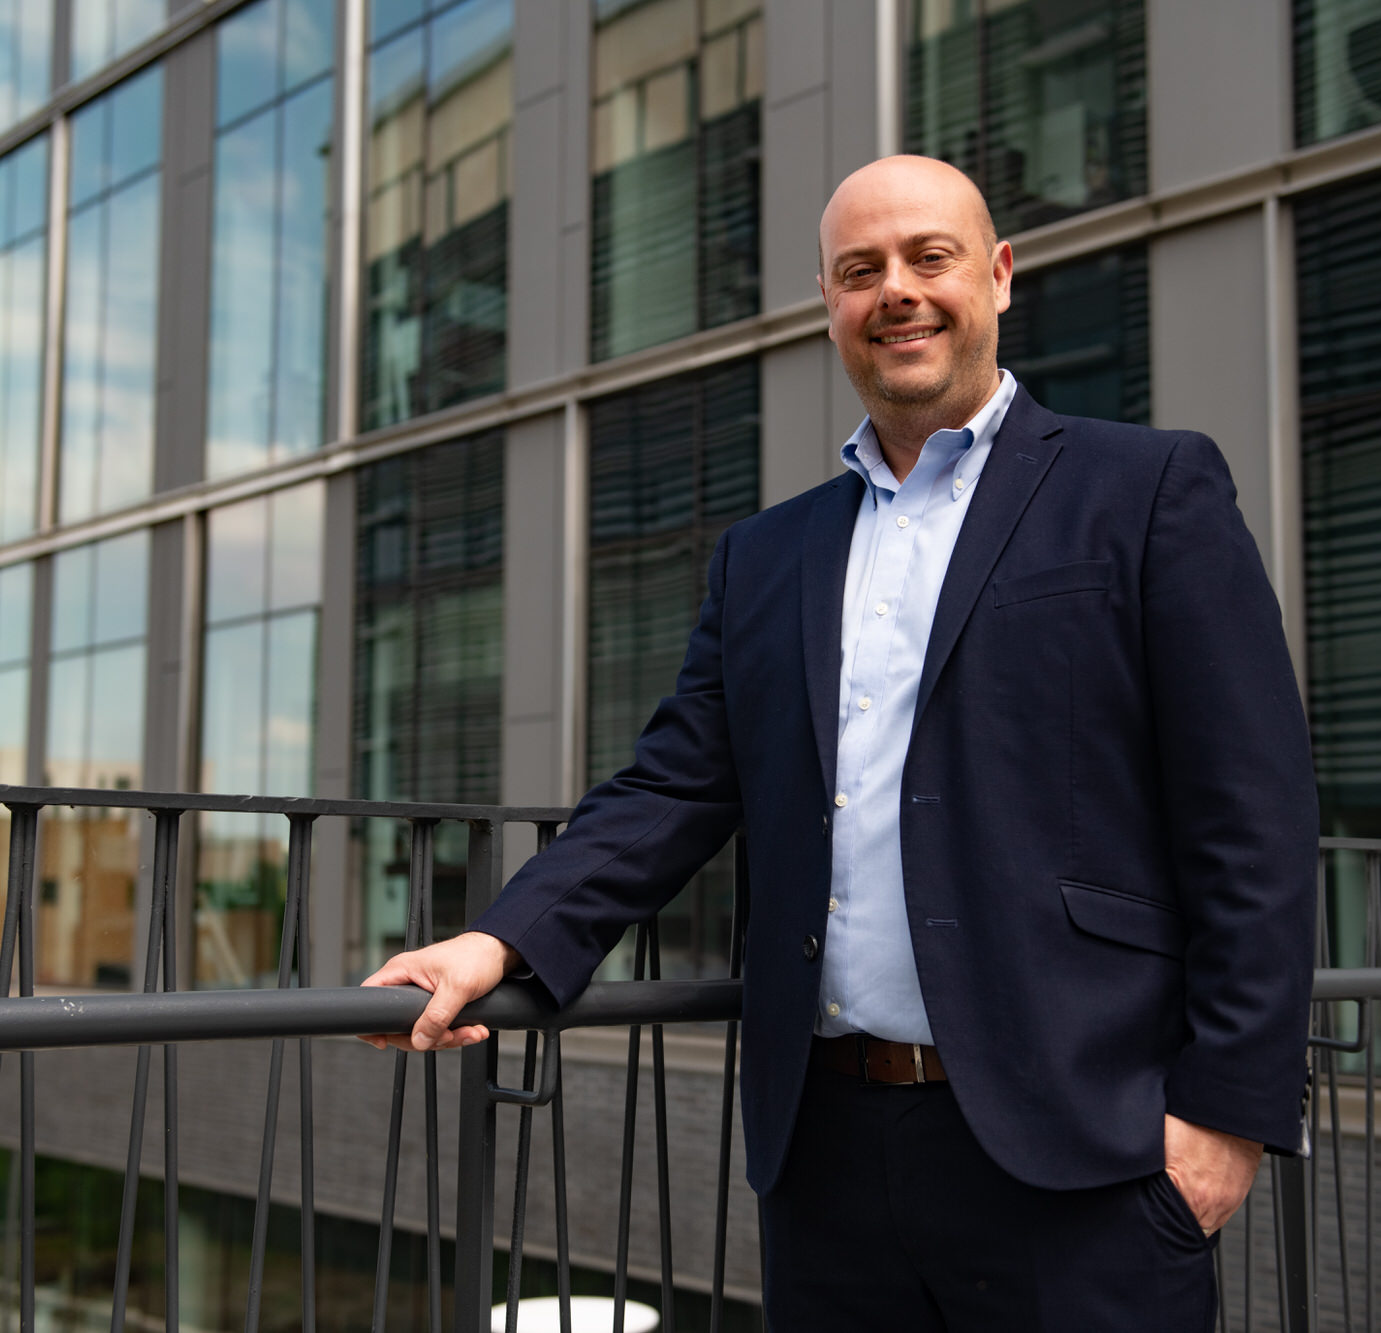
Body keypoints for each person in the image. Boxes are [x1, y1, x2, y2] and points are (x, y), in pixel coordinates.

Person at [361, 155, 1319, 1331]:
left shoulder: (1147, 489)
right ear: (828, 302)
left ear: (999, 275)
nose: (897, 292)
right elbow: (671, 783)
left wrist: (1225, 1116)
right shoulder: (765, 556)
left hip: (1085, 1149)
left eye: (930, 258)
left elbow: (1252, 820)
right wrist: (497, 940)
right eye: (860, 271)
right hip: (824, 1157)